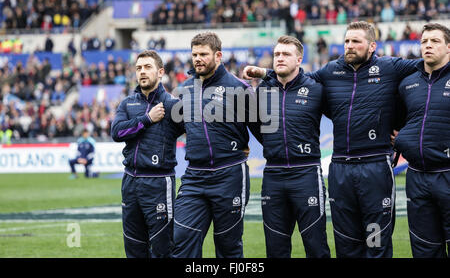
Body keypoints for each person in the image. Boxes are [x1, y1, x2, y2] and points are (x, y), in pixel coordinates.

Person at [244, 21, 422, 258]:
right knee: (346, 243)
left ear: (372, 46)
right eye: (347, 41)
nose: (349, 46)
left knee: (376, 241)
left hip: (376, 165)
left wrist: (404, 127)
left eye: (356, 41)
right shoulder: (330, 71)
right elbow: (298, 79)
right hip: (340, 167)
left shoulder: (391, 67)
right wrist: (267, 73)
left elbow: (427, 78)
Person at [172, 32, 259, 258]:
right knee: (180, 240)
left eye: (203, 54)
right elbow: (177, 128)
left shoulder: (239, 88)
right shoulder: (185, 88)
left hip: (229, 174)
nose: (198, 59)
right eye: (194, 54)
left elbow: (262, 131)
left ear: (218, 55)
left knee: (228, 246)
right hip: (194, 176)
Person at [255, 35, 330, 258]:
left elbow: (344, 115)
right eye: (277, 54)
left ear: (299, 59)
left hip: (306, 172)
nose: (279, 58)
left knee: (316, 247)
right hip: (273, 175)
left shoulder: (316, 89)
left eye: (286, 54)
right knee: (275, 250)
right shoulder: (263, 91)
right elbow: (253, 125)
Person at [111, 50, 184, 258]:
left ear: (160, 72)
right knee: (134, 248)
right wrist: (147, 119)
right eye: (139, 68)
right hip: (130, 182)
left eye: (148, 67)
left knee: (163, 249)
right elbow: (116, 132)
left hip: (159, 182)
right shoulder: (127, 103)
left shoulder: (172, 105)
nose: (142, 72)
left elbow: (195, 131)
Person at [393, 23, 450, 258]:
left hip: (447, 173)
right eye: (424, 41)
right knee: (425, 249)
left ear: (448, 47)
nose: (428, 45)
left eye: (435, 41)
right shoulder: (407, 84)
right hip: (417, 177)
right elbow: (398, 122)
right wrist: (402, 138)